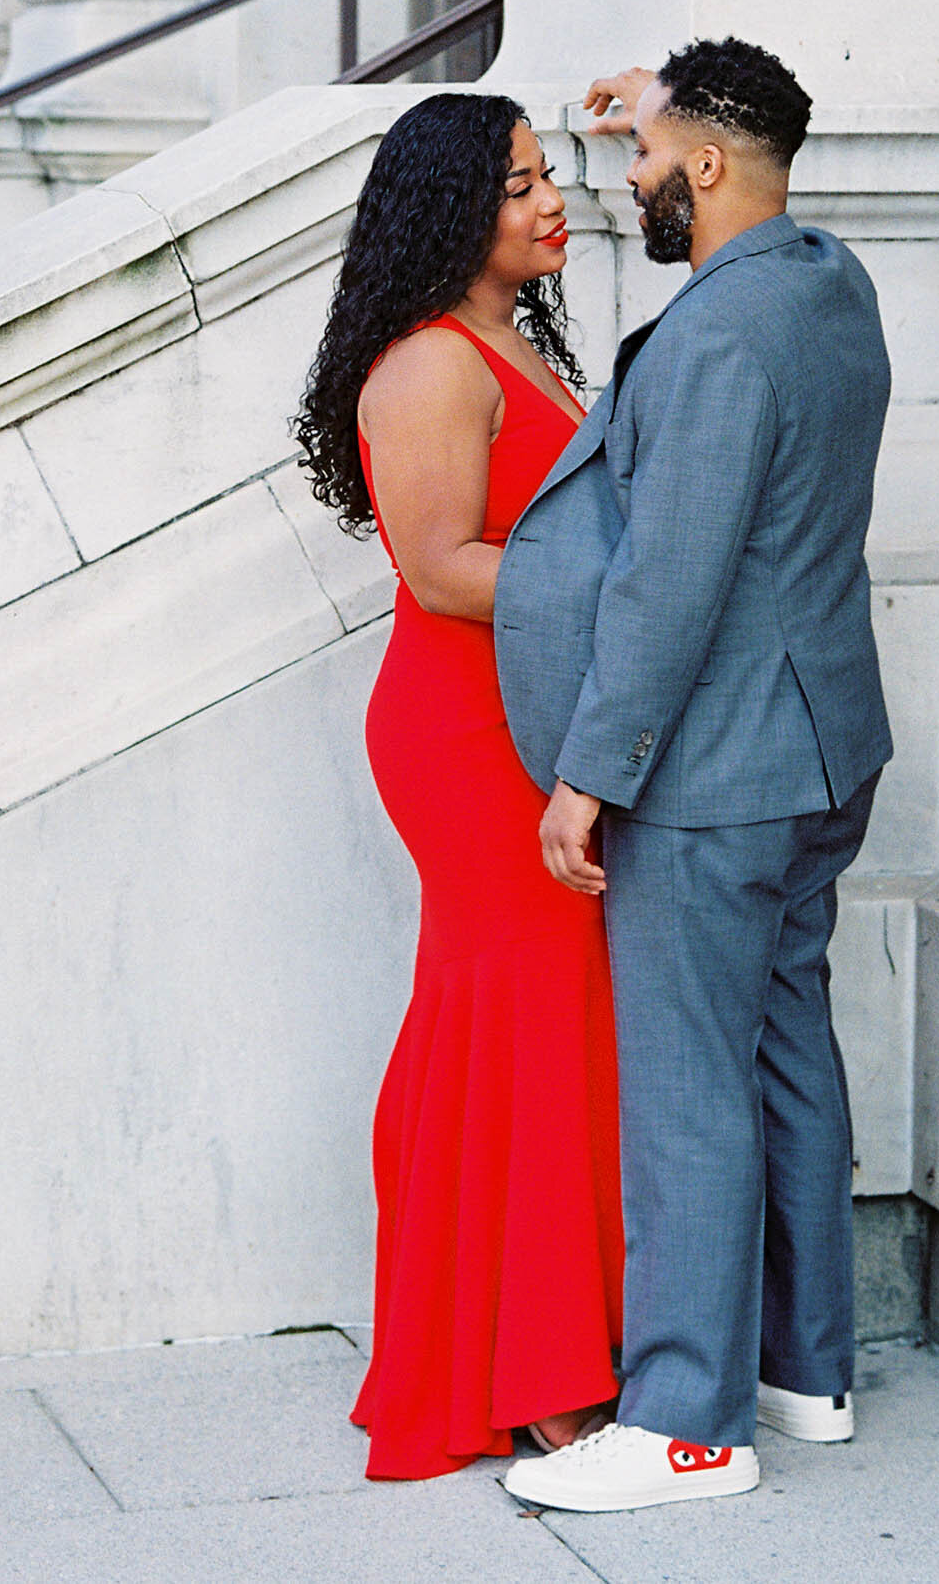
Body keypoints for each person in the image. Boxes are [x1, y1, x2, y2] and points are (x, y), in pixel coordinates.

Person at [492, 38, 894, 1517]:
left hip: (717, 769)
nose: (629, 177)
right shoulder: (824, 280)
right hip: (815, 752)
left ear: (709, 166)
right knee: (787, 1055)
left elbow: (670, 582)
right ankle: (807, 1371)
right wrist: (650, 100)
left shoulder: (719, 341)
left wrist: (588, 777)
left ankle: (684, 1422)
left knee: (685, 1085)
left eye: (648, 158)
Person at [294, 91, 624, 1480]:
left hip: (521, 714)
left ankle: (519, 1343)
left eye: (547, 177)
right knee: (525, 1020)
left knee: (529, 1027)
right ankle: (534, 1370)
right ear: (446, 211)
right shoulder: (432, 366)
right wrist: (636, 591)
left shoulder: (511, 344)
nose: (551, 203)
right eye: (517, 186)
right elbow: (438, 570)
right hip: (464, 731)